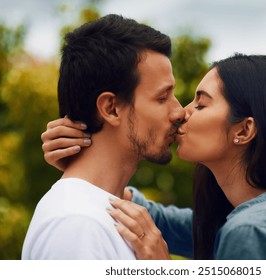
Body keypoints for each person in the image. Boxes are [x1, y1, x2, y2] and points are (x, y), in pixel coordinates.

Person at [42, 54, 266, 260]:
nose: (183, 112)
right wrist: (89, 164)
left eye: (201, 104)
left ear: (244, 130)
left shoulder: (253, 232)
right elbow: (166, 223)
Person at [22, 14, 183, 260]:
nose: (179, 111)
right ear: (111, 108)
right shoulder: (77, 225)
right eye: (162, 97)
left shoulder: (100, 213)